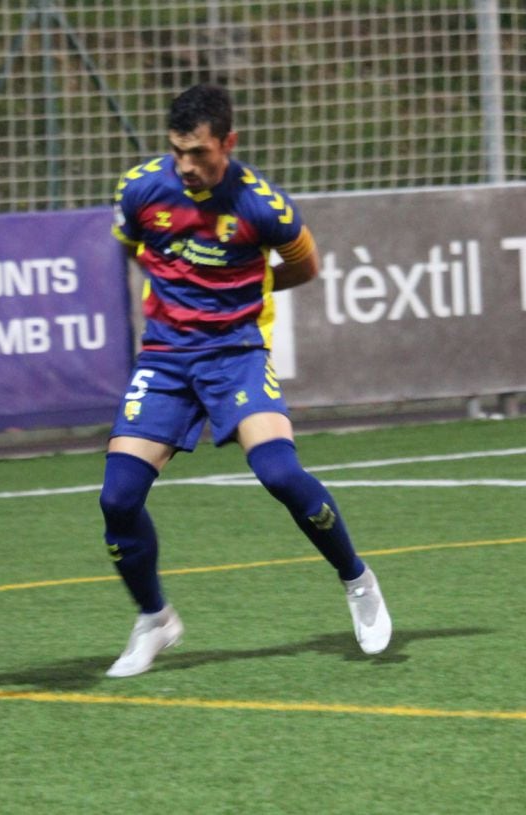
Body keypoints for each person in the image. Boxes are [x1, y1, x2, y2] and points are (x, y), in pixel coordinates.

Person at [100, 83, 392, 678]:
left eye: (199, 153)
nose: (186, 166)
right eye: (177, 152)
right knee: (117, 499)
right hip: (164, 358)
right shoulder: (139, 189)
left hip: (235, 354)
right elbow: (136, 248)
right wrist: (183, 293)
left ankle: (357, 580)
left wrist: (238, 294)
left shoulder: (264, 206)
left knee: (280, 472)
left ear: (228, 143)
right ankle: (155, 619)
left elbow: (304, 265)